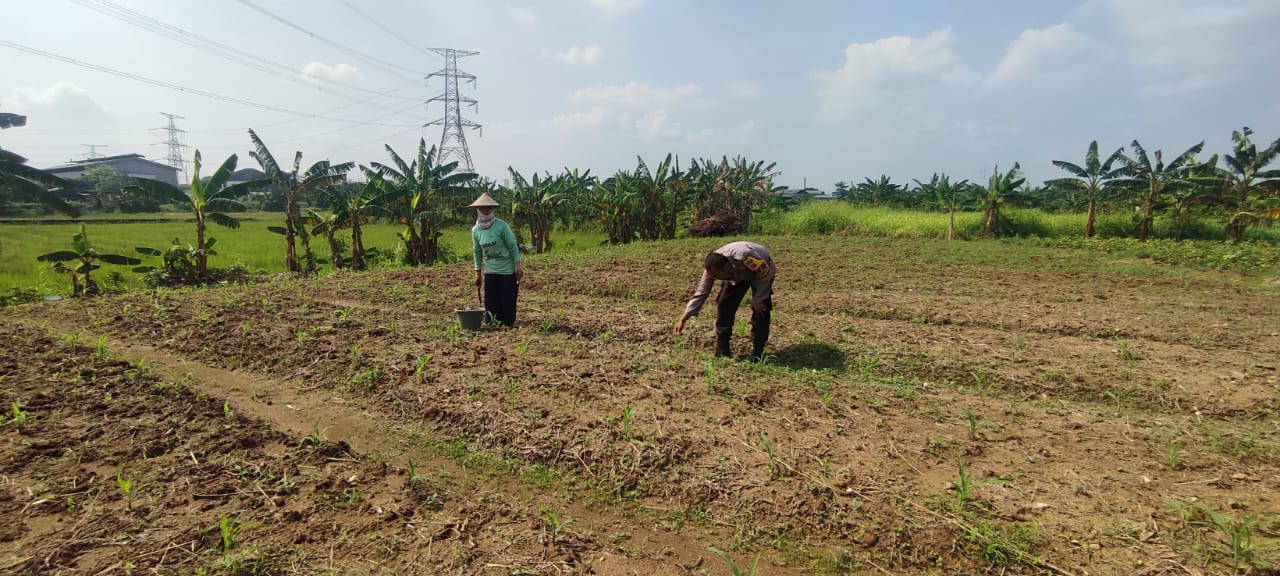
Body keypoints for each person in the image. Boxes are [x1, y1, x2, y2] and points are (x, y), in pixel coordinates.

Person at [674, 240, 775, 361]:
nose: (715, 279)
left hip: (761, 273)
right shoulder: (712, 269)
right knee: (724, 304)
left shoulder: (747, 257)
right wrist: (683, 319)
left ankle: (758, 352)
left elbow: (765, 275)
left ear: (726, 267)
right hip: (737, 274)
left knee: (760, 308)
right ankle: (723, 350)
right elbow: (701, 292)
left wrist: (759, 298)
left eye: (717, 276)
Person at [470, 191, 523, 327]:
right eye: (483, 207)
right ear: (478, 209)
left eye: (489, 207)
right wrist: (477, 272)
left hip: (507, 270)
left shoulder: (501, 226)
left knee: (507, 307)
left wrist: (517, 265)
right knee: (491, 313)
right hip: (490, 270)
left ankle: (508, 322)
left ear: (492, 208)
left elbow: (512, 246)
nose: (486, 210)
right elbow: (477, 251)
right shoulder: (476, 230)